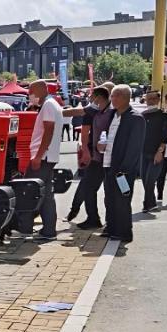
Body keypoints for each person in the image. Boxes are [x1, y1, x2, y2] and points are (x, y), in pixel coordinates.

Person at [101, 84, 144, 243]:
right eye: (112, 96)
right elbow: (106, 136)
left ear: (126, 98)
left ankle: (124, 232)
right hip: (108, 164)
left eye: (116, 95)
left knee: (122, 201)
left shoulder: (135, 118)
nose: (113, 99)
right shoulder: (112, 115)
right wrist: (101, 145)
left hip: (123, 170)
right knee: (110, 199)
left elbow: (134, 147)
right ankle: (112, 228)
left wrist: (125, 169)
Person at [21, 80, 63, 240]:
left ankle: (27, 228)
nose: (29, 95)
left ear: (39, 90)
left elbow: (48, 131)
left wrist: (38, 156)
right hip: (47, 156)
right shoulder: (51, 104)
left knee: (29, 191)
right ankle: (48, 229)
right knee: (45, 194)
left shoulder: (48, 106)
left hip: (43, 157)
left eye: (31, 91)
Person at [70, 85, 113, 229]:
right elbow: (84, 131)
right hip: (96, 156)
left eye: (92, 97)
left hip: (107, 158)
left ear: (99, 98)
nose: (90, 100)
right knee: (88, 186)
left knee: (103, 190)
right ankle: (92, 217)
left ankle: (102, 220)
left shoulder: (112, 113)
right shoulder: (95, 111)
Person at [139, 90, 167, 213]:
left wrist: (160, 151)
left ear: (158, 100)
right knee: (144, 179)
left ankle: (147, 204)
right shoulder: (142, 116)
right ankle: (151, 203)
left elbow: (166, 135)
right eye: (148, 99)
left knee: (150, 180)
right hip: (143, 153)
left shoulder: (164, 116)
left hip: (157, 152)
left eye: (153, 98)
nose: (150, 101)